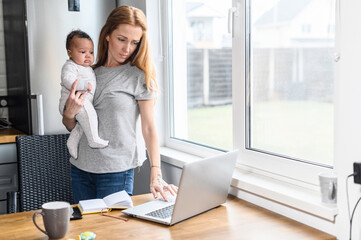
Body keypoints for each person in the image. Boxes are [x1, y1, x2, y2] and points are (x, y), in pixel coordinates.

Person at [62, 6, 177, 203]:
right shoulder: (87, 73)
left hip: (116, 172)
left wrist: (156, 173)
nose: (127, 49)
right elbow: (72, 126)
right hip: (80, 168)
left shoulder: (138, 77)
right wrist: (68, 114)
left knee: (114, 232)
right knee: (88, 232)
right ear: (107, 35)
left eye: (134, 42)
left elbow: (149, 127)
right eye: (121, 39)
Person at [59, 30, 108, 160]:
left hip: (82, 102)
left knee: (82, 126)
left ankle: (72, 143)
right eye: (83, 52)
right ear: (70, 53)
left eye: (91, 52)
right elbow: (67, 79)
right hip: (72, 101)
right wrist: (83, 85)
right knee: (90, 114)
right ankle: (94, 139)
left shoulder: (88, 68)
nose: (88, 56)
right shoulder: (70, 66)